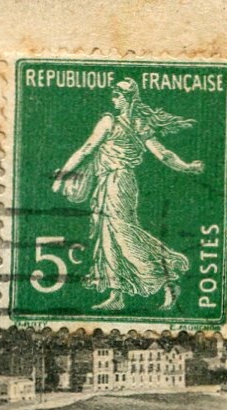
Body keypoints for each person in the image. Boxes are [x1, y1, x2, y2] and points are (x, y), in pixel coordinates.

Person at [52, 78, 203, 313]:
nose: (113, 99)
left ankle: (167, 276)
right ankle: (117, 293)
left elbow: (87, 149)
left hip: (117, 182)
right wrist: (186, 166)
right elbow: (163, 154)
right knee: (109, 235)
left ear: (127, 98)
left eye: (117, 95)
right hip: (115, 182)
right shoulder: (139, 123)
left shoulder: (110, 122)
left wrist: (62, 174)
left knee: (122, 234)